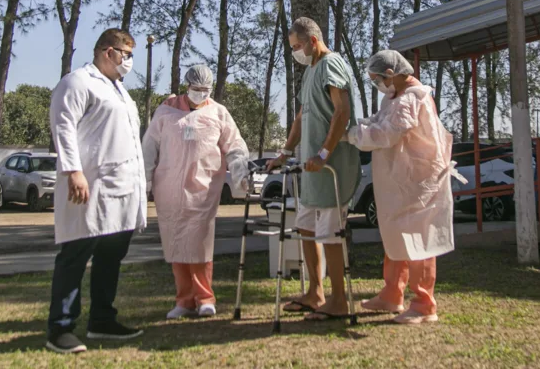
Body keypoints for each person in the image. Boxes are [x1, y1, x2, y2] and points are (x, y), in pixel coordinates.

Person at [46, 28, 147, 354]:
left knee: (110, 256)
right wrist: (73, 171)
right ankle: (60, 328)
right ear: (108, 51)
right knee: (75, 256)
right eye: (126, 54)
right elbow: (63, 126)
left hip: (122, 189)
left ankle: (102, 319)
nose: (129, 61)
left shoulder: (120, 91)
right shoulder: (77, 82)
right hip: (89, 187)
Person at [347, 50, 456, 325]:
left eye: (377, 79)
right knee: (396, 234)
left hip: (418, 182)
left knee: (419, 239)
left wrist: (352, 135)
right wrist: (361, 124)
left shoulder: (411, 98)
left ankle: (424, 304)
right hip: (402, 181)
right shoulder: (394, 97)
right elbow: (380, 121)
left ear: (391, 74)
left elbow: (387, 133)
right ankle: (392, 293)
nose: (377, 84)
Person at [267, 17, 362, 321]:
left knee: (331, 234)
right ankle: (315, 293)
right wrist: (283, 152)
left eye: (297, 46)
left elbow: (342, 110)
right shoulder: (310, 71)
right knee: (306, 228)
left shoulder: (331, 64)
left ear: (313, 41)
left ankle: (339, 301)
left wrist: (322, 153)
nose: (296, 52)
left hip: (330, 166)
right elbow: (300, 117)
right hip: (310, 171)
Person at [142, 65, 250, 320]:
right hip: (168, 189)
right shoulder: (166, 111)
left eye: (205, 90)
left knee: (200, 245)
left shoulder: (218, 113)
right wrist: (144, 181)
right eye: (196, 89)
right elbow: (149, 148)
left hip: (203, 189)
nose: (201, 93)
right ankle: (184, 299)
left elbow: (235, 145)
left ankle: (205, 298)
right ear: (187, 86)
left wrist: (239, 172)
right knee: (176, 243)